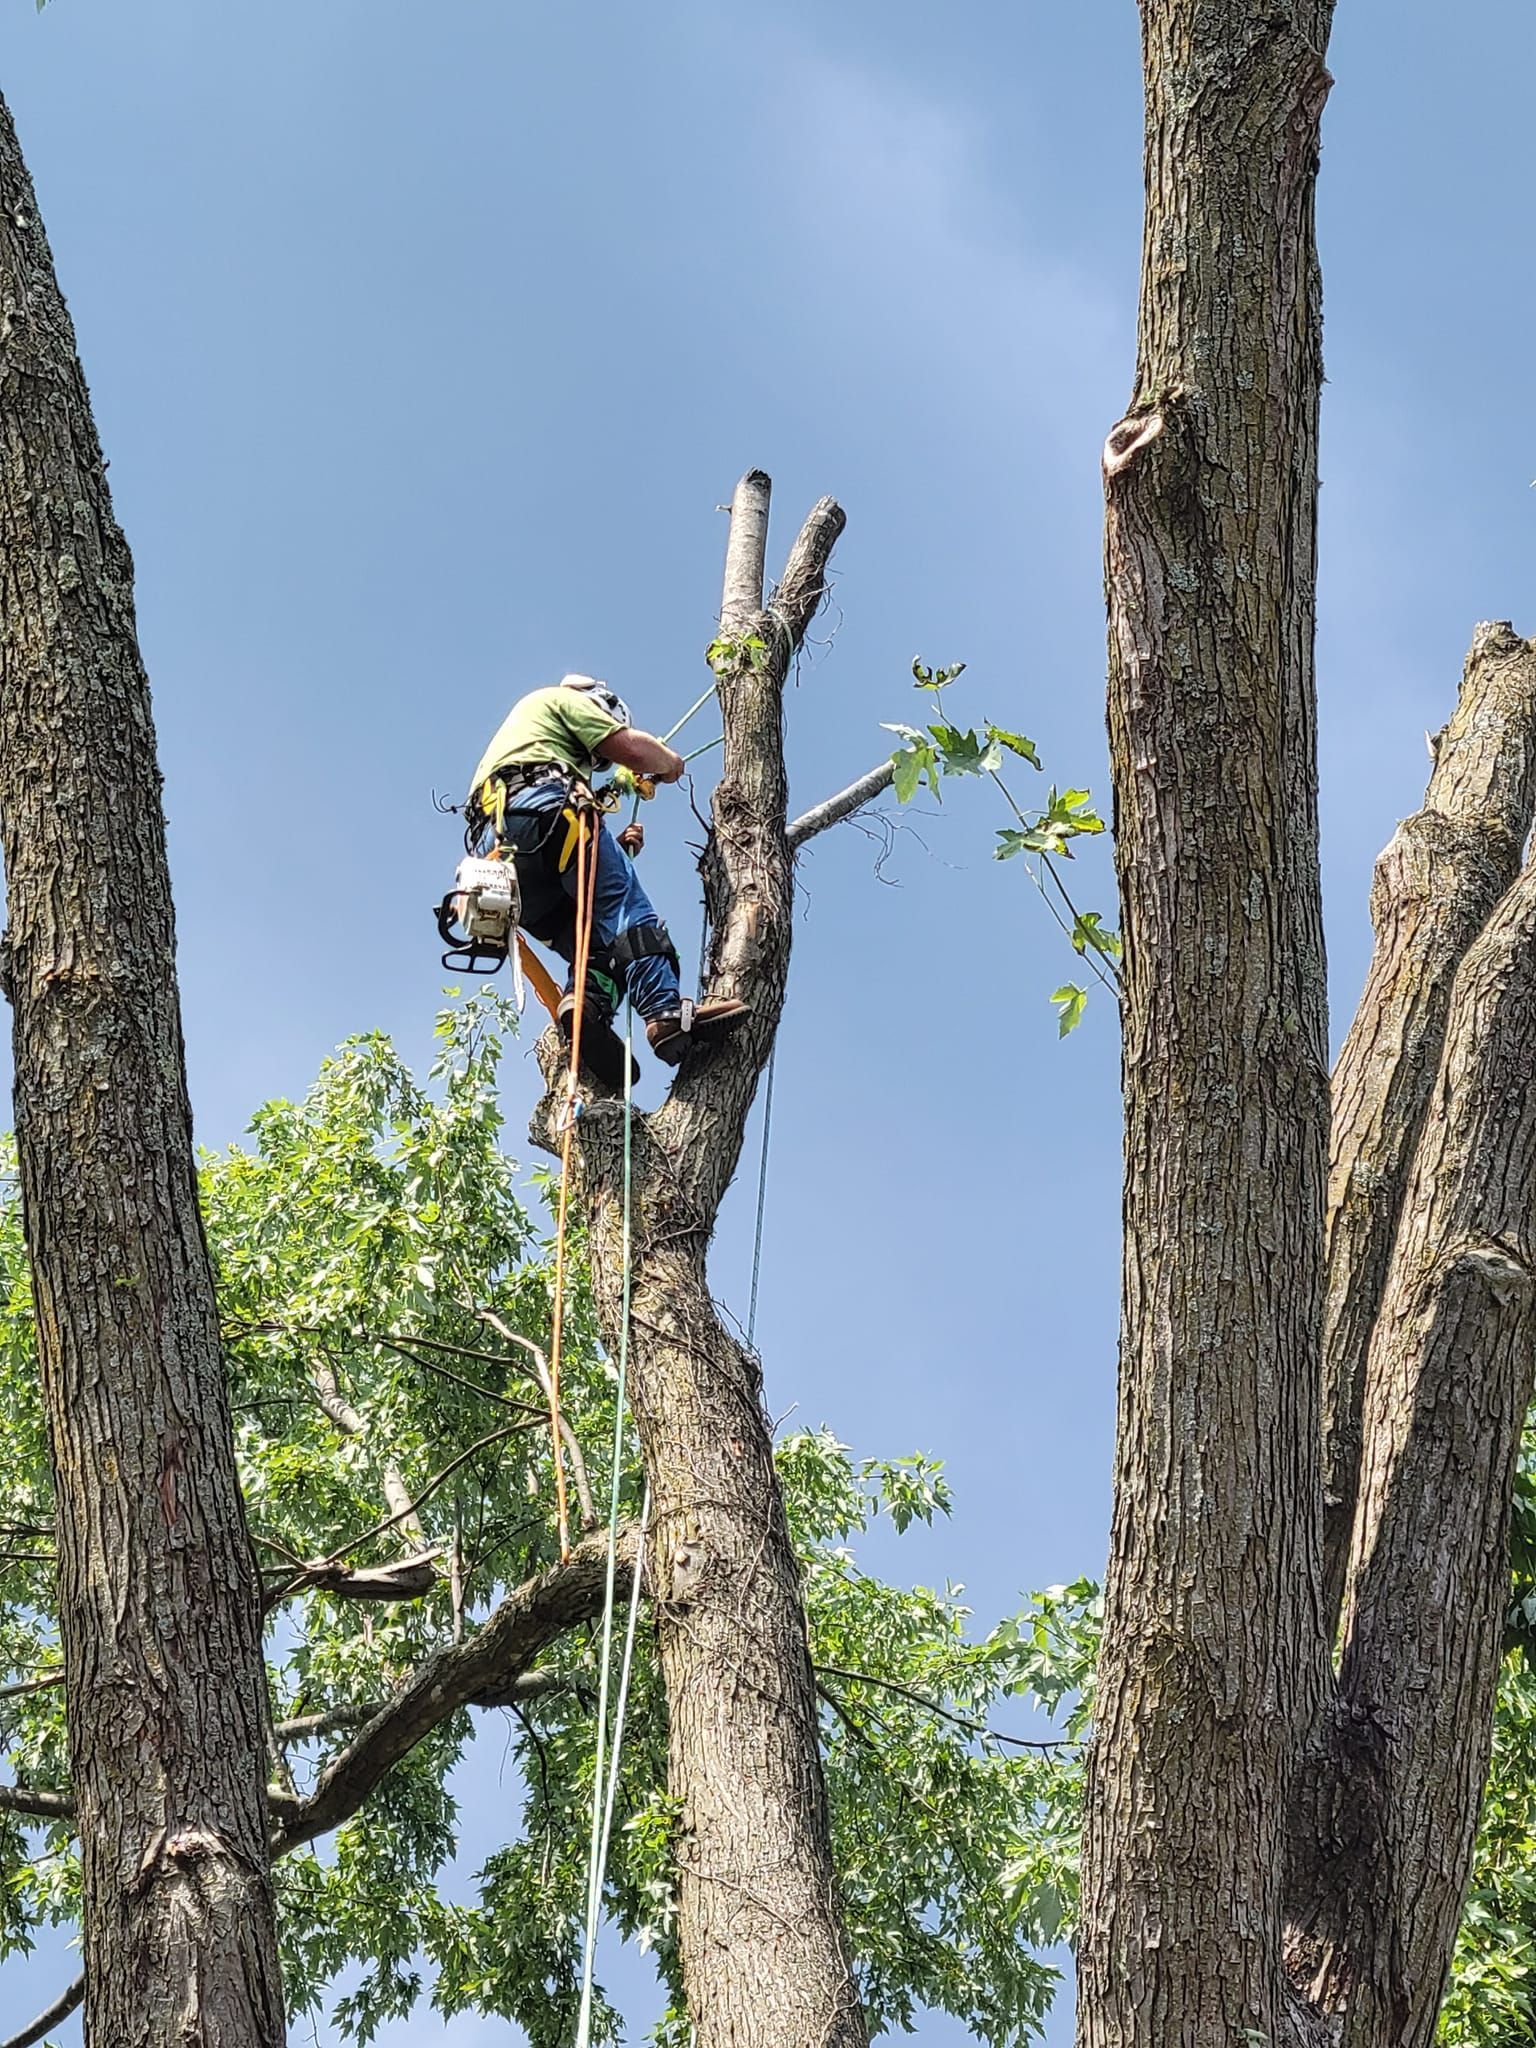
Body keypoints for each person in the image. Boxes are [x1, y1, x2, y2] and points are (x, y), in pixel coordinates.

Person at [465, 674, 748, 1079]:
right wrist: (669, 764)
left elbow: (570, 859)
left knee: (596, 939)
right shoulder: (562, 701)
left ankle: (583, 1008)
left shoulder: (524, 740)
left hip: (502, 860)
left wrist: (620, 847)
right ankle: (664, 1011)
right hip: (545, 809)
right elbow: (630, 748)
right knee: (625, 910)